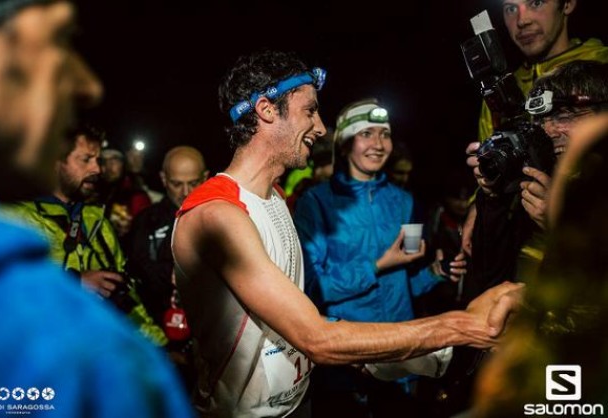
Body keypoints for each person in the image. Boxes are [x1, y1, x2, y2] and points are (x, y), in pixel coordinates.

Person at [171, 49, 522, 418]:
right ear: (266, 110)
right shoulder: (218, 214)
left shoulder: (274, 198)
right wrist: (466, 325)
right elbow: (316, 338)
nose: (321, 127)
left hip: (298, 403)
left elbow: (299, 323)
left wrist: (415, 354)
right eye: (310, 110)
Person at [0, 1, 193, 417]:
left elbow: (125, 289)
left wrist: (159, 345)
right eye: (60, 39)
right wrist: (77, 285)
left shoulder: (95, 217)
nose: (88, 85)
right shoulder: (83, 357)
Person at [293, 98, 462, 417]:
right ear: (344, 144)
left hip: (400, 360)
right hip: (347, 364)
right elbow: (312, 288)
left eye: (384, 135)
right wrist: (377, 265)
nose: (378, 144)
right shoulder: (315, 203)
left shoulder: (404, 200)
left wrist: (435, 272)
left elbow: (404, 285)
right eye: (366, 134)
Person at [473, 113, 608, 418]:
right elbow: (489, 277)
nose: (551, 130)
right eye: (546, 119)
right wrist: (491, 200)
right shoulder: (531, 198)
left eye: (567, 116)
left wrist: (564, 231)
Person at [462, 0, 608, 257]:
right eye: (510, 8)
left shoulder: (602, 67)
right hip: (522, 251)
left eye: (536, 2)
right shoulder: (500, 91)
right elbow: (493, 158)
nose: (522, 20)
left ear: (568, 4)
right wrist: (480, 202)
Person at [8, 125, 167, 345]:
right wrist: (75, 281)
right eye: (86, 159)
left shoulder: (96, 219)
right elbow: (3, 296)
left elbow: (126, 298)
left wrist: (161, 348)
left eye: (98, 159)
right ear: (55, 161)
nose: (97, 169)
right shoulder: (16, 219)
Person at [129, 145, 208, 329]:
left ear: (205, 178)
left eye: (194, 183)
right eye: (177, 184)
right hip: (158, 330)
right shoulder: (146, 221)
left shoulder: (220, 218)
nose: (186, 192)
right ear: (164, 179)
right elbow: (135, 270)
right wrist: (170, 274)